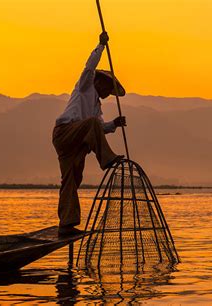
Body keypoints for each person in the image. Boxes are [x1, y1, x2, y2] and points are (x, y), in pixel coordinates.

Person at [52, 32, 126, 236]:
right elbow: (89, 67)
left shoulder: (96, 108)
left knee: (72, 180)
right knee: (92, 124)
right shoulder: (85, 87)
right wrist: (101, 45)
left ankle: (66, 223)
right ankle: (107, 159)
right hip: (65, 133)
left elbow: (100, 128)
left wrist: (115, 124)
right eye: (107, 89)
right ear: (100, 82)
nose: (107, 94)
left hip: (76, 143)